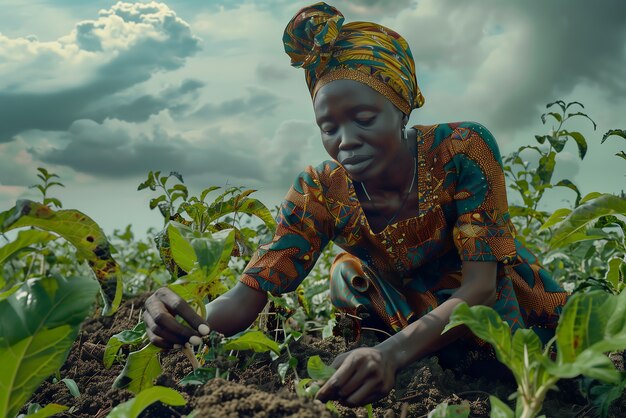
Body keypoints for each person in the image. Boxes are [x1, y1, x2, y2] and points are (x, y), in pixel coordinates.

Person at [144, 2, 568, 407]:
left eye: (364, 119)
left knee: (554, 382)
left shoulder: (460, 150)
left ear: (401, 108)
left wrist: (392, 354)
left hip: (495, 317)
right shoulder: (321, 189)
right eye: (328, 127)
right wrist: (186, 317)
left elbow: (481, 287)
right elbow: (249, 294)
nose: (345, 142)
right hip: (407, 330)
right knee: (347, 272)